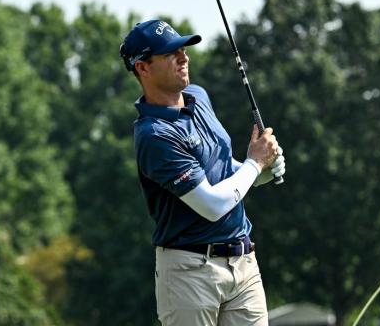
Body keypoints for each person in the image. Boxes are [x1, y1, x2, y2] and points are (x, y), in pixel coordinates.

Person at [119, 19, 286, 326]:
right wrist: (254, 164)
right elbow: (211, 205)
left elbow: (224, 172)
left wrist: (261, 170)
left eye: (183, 49)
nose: (184, 58)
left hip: (243, 263)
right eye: (171, 53)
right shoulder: (154, 134)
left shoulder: (199, 97)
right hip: (189, 272)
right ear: (142, 67)